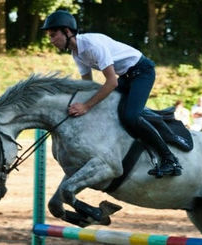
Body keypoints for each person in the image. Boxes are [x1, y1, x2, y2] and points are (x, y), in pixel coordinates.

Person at [41, 10, 182, 177]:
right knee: (109, 111)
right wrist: (72, 103)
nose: (51, 40)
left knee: (130, 117)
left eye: (53, 35)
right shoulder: (76, 54)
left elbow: (111, 82)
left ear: (67, 31)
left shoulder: (92, 45)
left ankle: (170, 160)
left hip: (142, 72)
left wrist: (86, 106)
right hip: (126, 76)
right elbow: (88, 85)